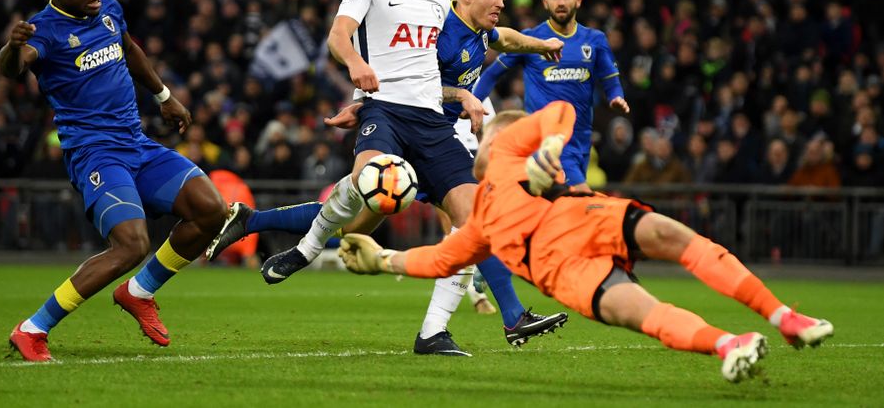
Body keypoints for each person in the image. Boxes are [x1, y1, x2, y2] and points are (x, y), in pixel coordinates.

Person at [208, 0, 569, 352]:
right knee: (363, 212)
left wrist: (541, 44)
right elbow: (410, 80)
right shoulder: (440, 29)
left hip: (435, 140)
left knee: (469, 218)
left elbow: (509, 40)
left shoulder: (478, 32)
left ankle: (492, 320)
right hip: (404, 127)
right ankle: (278, 235)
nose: (501, 2)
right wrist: (455, 95)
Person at [338, 102, 834, 382]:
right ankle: (730, 344)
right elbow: (441, 259)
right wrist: (382, 258)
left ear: (505, 137)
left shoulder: (512, 147)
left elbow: (559, 111)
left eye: (484, 135)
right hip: (565, 272)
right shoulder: (479, 219)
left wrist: (549, 146)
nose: (479, 141)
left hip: (586, 216)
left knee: (671, 233)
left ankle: (782, 317)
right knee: (644, 314)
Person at [1, 0, 228, 361]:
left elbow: (129, 49)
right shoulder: (44, 30)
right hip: (95, 154)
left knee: (211, 208)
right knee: (130, 244)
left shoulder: (108, 7)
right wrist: (12, 48)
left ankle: (138, 291)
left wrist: (164, 96)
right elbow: (15, 67)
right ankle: (32, 329)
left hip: (136, 143)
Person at [473, 0, 629, 192]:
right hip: (546, 143)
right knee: (578, 196)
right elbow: (492, 74)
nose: (561, 2)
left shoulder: (594, 40)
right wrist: (473, 102)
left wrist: (616, 96)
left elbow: (610, 77)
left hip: (581, 140)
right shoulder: (532, 39)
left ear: (578, 0)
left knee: (559, 214)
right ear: (546, 3)